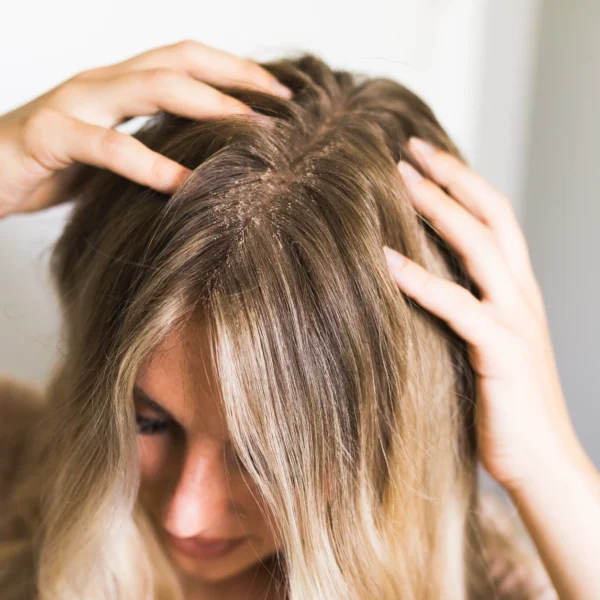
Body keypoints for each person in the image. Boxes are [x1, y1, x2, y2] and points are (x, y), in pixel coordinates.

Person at [0, 39, 597, 600]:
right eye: (147, 422)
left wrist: (550, 468)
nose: (188, 510)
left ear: (394, 439)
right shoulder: (17, 470)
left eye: (265, 455)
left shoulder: (491, 580)